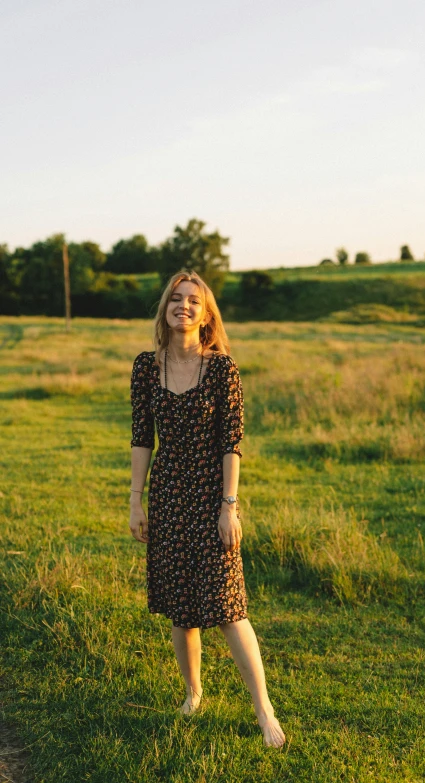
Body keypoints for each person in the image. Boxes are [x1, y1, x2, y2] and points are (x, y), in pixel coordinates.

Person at [129, 270, 285, 748]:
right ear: (165, 309)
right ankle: (193, 692)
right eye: (176, 299)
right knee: (182, 609)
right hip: (169, 495)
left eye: (194, 300)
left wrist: (228, 506)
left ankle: (263, 706)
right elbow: (141, 437)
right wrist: (136, 500)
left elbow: (231, 441)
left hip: (211, 497)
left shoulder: (222, 368)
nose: (184, 306)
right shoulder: (145, 366)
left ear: (207, 314)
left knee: (229, 606)